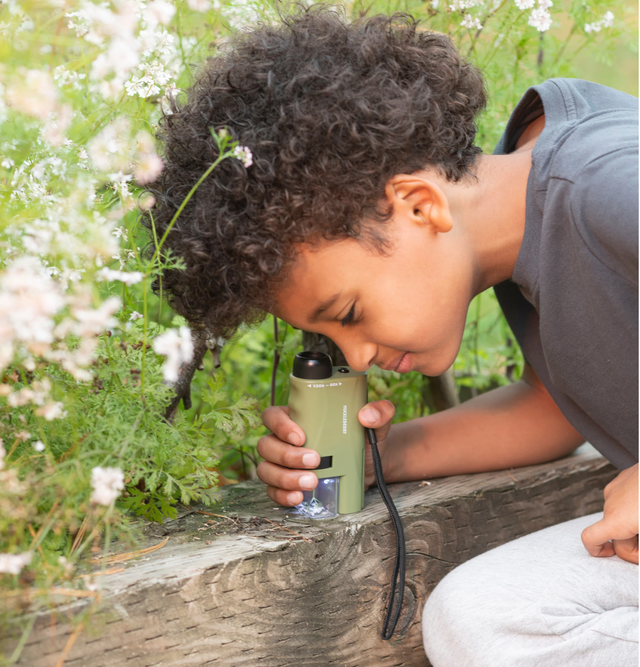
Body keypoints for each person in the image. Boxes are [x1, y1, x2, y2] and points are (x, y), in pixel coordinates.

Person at [147, 7, 638, 665]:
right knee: (477, 619)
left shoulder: (603, 184)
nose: (356, 355)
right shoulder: (521, 218)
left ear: (418, 205)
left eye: (347, 312)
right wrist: (380, 454)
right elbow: (555, 406)